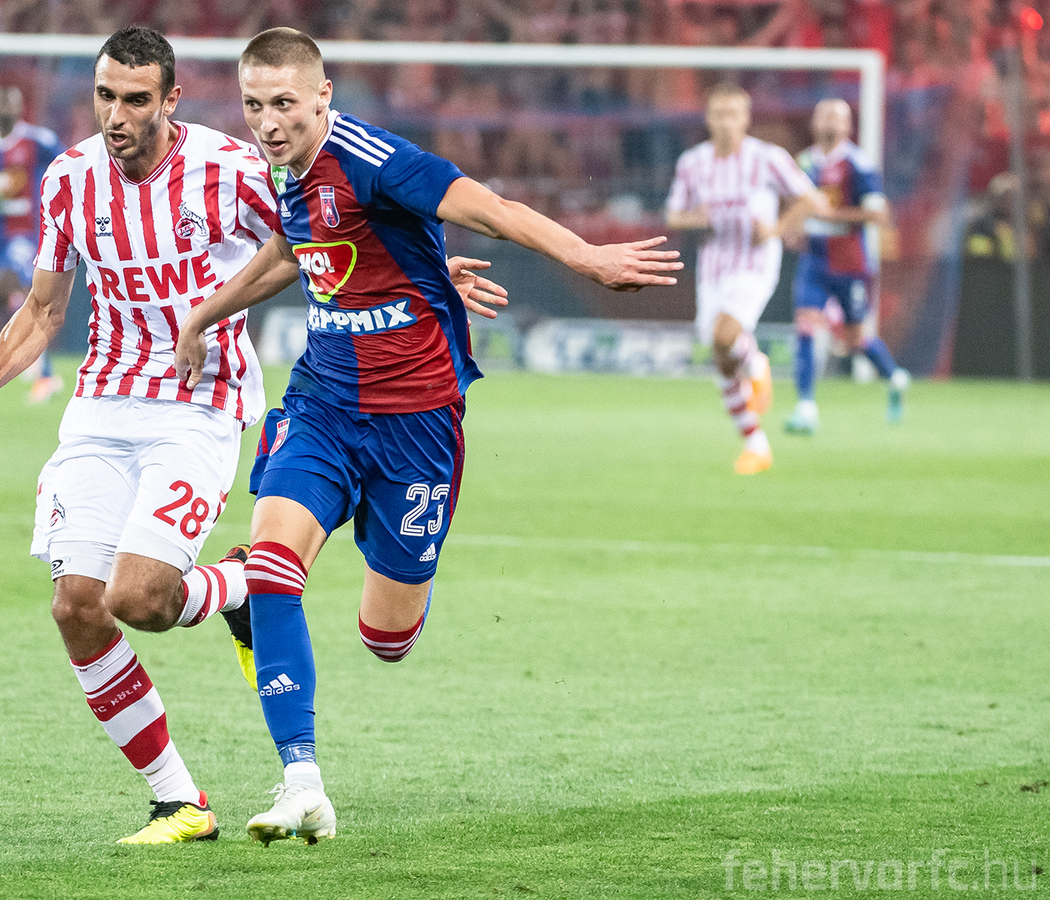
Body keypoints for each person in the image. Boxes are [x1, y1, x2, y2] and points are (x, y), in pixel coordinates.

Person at [173, 27, 681, 846]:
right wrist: (202, 314)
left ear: (323, 97)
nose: (267, 122)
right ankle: (301, 780)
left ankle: (370, 561)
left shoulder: (374, 159)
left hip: (417, 423)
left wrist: (586, 257)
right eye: (254, 105)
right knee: (271, 567)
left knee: (388, 639)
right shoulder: (282, 166)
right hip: (323, 404)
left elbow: (494, 210)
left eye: (284, 104)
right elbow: (291, 251)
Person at [0, 25, 279, 845]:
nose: (116, 115)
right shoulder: (69, 180)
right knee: (77, 607)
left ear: (171, 99)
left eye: (136, 100)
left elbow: (313, 242)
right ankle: (179, 802)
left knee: (138, 600)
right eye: (105, 96)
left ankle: (243, 586)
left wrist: (424, 276)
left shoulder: (230, 170)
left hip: (197, 405)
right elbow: (45, 306)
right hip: (102, 407)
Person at [665, 83, 826, 474]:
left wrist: (775, 229)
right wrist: (695, 219)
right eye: (719, 114)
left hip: (755, 263)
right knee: (720, 357)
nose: (725, 122)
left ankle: (754, 363)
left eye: (733, 114)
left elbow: (811, 199)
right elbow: (673, 215)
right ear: (707, 119)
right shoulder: (692, 162)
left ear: (746, 119)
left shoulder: (767, 158)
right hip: (713, 265)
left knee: (724, 336)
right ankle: (755, 442)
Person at [784, 97, 908, 434]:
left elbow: (877, 213)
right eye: (823, 115)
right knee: (805, 325)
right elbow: (797, 206)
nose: (829, 122)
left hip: (850, 263)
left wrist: (831, 217)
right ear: (813, 123)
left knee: (854, 338)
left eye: (836, 117)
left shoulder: (859, 164)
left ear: (848, 126)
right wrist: (793, 228)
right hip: (814, 259)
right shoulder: (804, 162)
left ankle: (895, 378)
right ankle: (805, 407)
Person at [0, 85, 65, 403]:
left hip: (27, 233)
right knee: (7, 295)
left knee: (26, 295)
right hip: (0, 235)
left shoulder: (37, 140)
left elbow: (67, 162)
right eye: (2, 103)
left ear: (19, 109)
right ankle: (34, 362)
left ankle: (46, 374)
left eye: (12, 104)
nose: (7, 110)